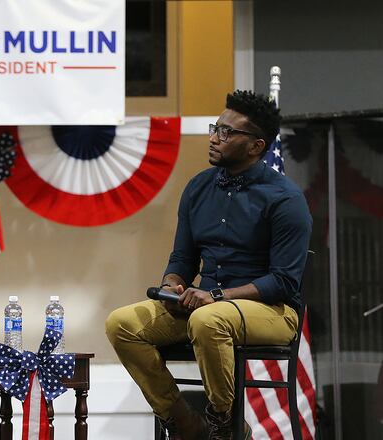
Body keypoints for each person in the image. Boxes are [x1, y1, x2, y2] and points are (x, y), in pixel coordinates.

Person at [104, 90, 312, 440]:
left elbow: (283, 282)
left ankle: (225, 424)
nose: (215, 138)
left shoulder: (285, 199)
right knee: (122, 324)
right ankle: (183, 422)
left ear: (256, 146)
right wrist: (172, 285)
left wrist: (216, 296)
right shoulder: (198, 187)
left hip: (273, 311)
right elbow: (183, 258)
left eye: (227, 132)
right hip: (206, 306)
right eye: (215, 128)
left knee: (208, 320)